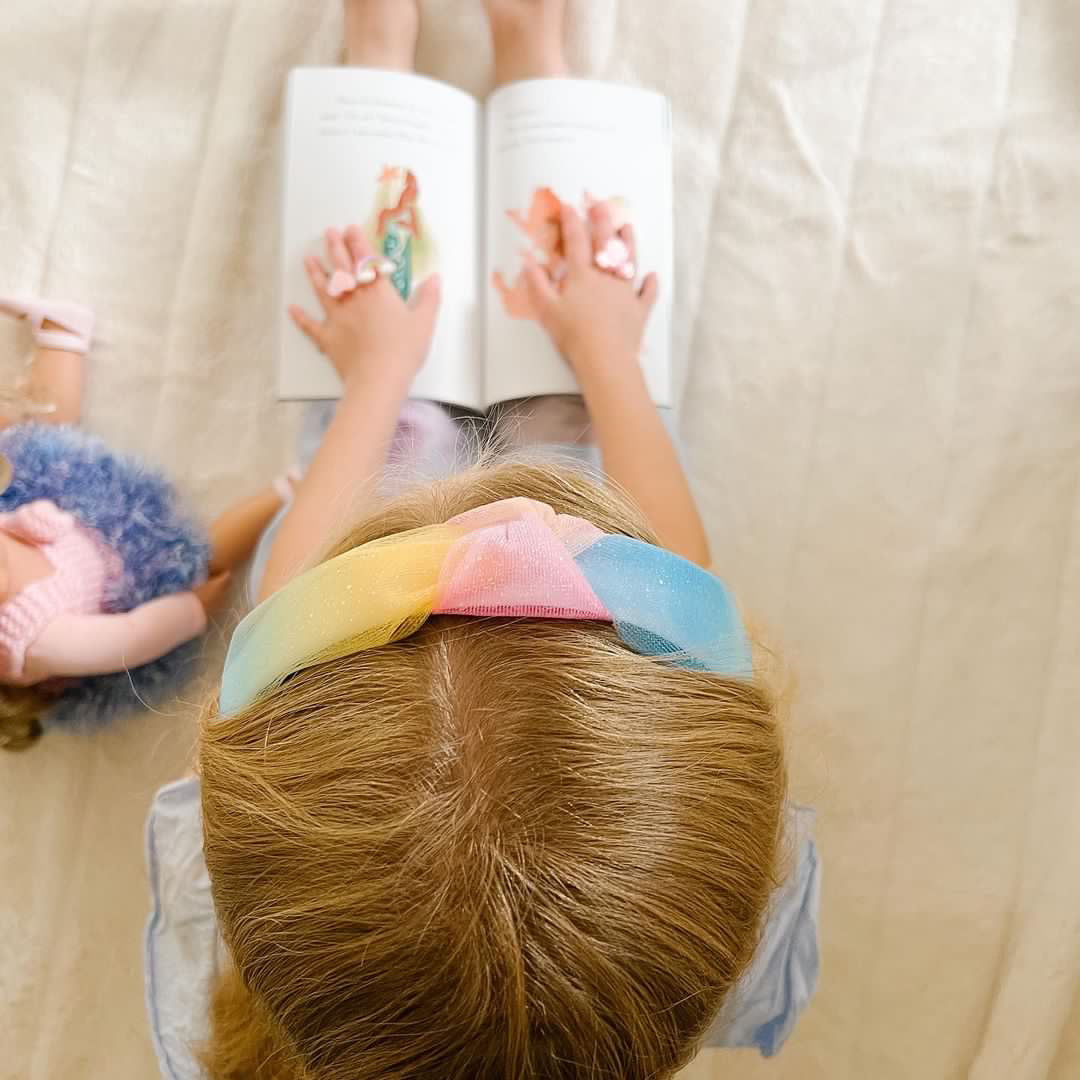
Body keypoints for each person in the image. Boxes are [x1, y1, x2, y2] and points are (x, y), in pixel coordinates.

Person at [145, 1, 820, 1077]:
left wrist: (375, 374)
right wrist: (610, 357)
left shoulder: (264, 886)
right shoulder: (700, 906)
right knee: (572, 401)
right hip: (476, 539)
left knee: (366, 345)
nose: (508, 521)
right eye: (616, 571)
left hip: (397, 460)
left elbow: (291, 583)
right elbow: (682, 569)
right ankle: (533, 63)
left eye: (362, 590)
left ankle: (379, 76)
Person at [0, 295, 287, 748]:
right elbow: (129, 638)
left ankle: (62, 334)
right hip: (122, 580)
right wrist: (190, 611)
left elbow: (15, 522)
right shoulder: (38, 639)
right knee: (199, 560)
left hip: (62, 517)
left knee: (34, 435)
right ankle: (288, 492)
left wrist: (25, 520)